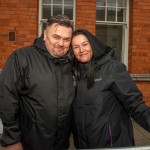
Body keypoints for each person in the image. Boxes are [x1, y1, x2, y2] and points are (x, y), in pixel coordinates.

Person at [0, 14, 75, 150]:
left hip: (62, 144)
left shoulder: (71, 64)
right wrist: (11, 140)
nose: (61, 43)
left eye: (66, 39)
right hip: (28, 143)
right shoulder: (21, 58)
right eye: (56, 37)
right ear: (45, 35)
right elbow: (6, 99)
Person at [71, 29, 150, 149]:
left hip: (112, 144)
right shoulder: (74, 72)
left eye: (85, 44)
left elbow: (135, 105)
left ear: (93, 44)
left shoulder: (113, 69)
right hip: (83, 145)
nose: (81, 50)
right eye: (76, 47)